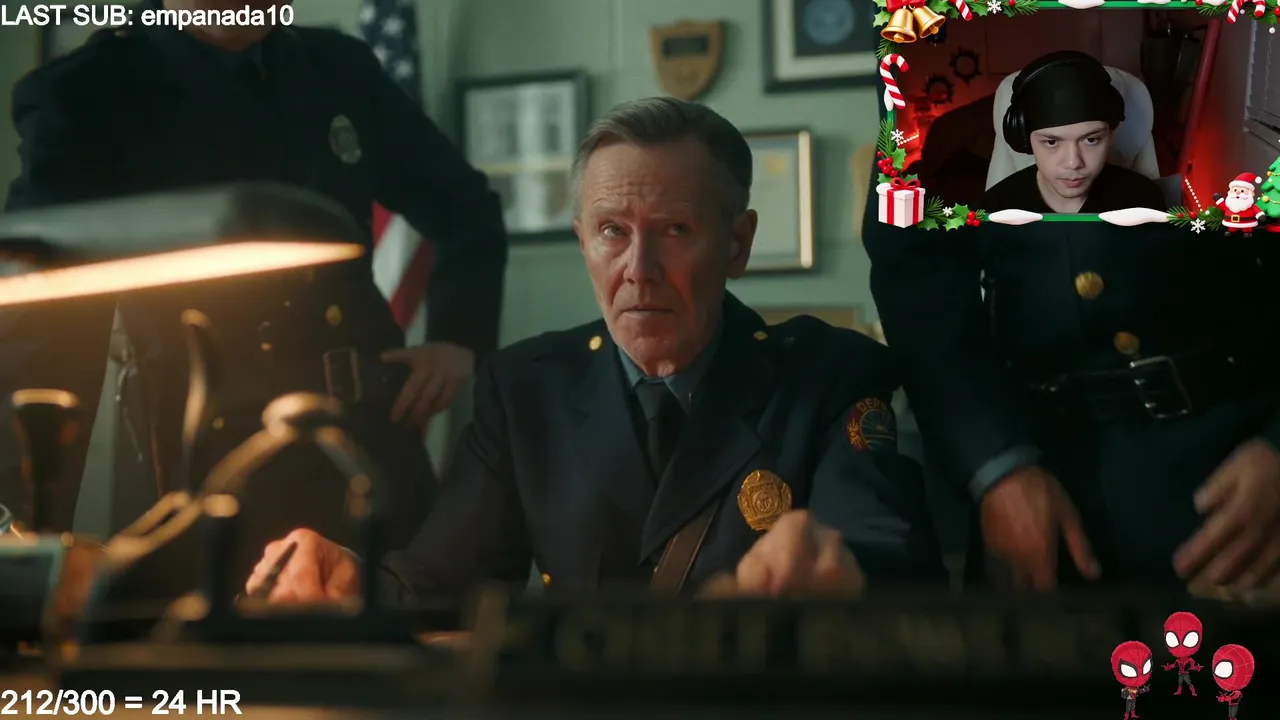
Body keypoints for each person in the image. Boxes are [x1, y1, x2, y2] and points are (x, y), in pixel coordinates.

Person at [246, 98, 942, 604]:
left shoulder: (827, 376)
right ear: (583, 242)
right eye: (613, 232)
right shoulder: (526, 390)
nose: (638, 269)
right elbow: (437, 581)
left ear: (737, 244)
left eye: (674, 230)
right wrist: (349, 577)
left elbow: (897, 562)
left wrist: (839, 569)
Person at [0, 0, 507, 577]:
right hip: (216, 456)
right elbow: (46, 322)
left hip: (368, 437)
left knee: (417, 613)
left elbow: (466, 209)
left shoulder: (336, 68)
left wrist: (457, 339)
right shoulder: (94, 89)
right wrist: (29, 529)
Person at [864, 59, 1280, 589]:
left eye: (1091, 139)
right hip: (1037, 480)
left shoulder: (1145, 191)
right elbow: (915, 278)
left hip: (1236, 468)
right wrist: (995, 464)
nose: (1074, 162)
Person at [983, 51, 1165, 214]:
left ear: (1110, 134)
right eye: (1052, 142)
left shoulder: (1146, 203)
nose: (1073, 163)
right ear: (1025, 140)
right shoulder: (993, 211)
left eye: (1091, 140)